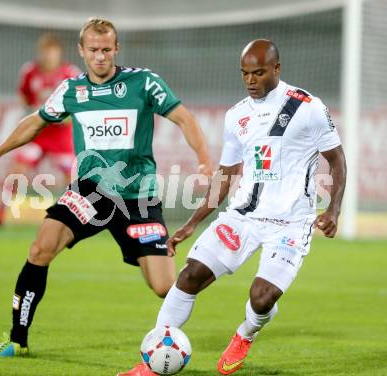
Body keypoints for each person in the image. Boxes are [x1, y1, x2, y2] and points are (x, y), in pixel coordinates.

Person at [0, 18, 212, 357]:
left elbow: (184, 118)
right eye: (93, 50)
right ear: (82, 51)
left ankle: (209, 268)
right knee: (40, 249)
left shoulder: (143, 83)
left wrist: (203, 158)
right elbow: (36, 121)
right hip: (89, 192)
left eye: (106, 50)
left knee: (162, 286)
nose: (100, 56)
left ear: (116, 49)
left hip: (137, 198)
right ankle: (16, 340)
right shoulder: (71, 90)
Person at [118, 39, 346, 376]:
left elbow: (337, 160)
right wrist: (194, 221)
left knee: (262, 297)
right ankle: (151, 362)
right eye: (245, 74)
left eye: (258, 73)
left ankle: (245, 334)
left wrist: (333, 211)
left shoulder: (308, 107)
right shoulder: (237, 115)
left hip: (291, 223)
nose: (251, 80)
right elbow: (226, 174)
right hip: (243, 217)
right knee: (190, 276)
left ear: (277, 69)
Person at [0, 33, 80, 233]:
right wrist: (36, 110)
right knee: (14, 174)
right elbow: (24, 98)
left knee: (73, 180)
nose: (49, 56)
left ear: (59, 53)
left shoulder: (70, 73)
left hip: (60, 138)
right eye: (45, 51)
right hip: (36, 134)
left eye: (52, 51)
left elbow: (78, 104)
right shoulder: (30, 72)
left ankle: (76, 223)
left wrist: (64, 115)